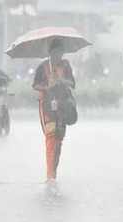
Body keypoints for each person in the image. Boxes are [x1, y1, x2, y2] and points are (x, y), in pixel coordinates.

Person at [32, 39, 75, 188]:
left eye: (61, 52)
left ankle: (53, 170)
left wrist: (61, 81)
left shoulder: (66, 65)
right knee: (50, 138)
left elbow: (72, 84)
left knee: (59, 140)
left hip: (62, 107)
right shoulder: (43, 67)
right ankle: (50, 175)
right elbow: (35, 85)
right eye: (56, 52)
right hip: (47, 106)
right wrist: (48, 85)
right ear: (50, 53)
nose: (59, 55)